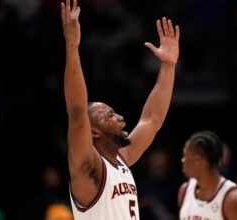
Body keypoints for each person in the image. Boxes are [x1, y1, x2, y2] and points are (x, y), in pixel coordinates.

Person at [60, 0, 180, 219]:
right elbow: (77, 112)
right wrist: (72, 48)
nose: (120, 118)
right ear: (93, 131)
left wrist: (168, 67)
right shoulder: (89, 168)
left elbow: (151, 120)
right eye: (109, 115)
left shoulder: (122, 160)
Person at [178, 131, 237, 220]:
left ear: (198, 160)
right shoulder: (184, 191)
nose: (182, 160)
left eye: (185, 155)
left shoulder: (233, 200)